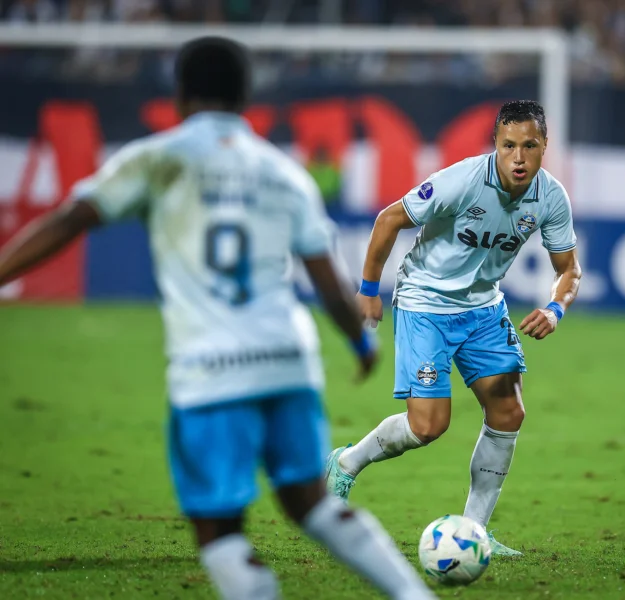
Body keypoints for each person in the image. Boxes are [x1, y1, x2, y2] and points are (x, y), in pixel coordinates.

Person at [0, 36, 435, 600]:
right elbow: (324, 273)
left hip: (210, 370)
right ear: (245, 97)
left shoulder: (158, 157)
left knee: (219, 530)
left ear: (180, 95)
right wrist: (360, 343)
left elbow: (70, 219)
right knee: (313, 504)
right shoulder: (283, 172)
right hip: (288, 361)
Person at [326, 100, 582, 557]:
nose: (519, 157)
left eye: (530, 146)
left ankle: (474, 532)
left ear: (545, 147)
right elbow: (389, 219)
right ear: (495, 146)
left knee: (508, 411)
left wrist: (555, 308)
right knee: (428, 426)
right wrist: (368, 289)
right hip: (426, 302)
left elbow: (568, 269)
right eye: (509, 146)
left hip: (483, 308)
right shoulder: (461, 180)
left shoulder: (551, 197)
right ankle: (346, 463)